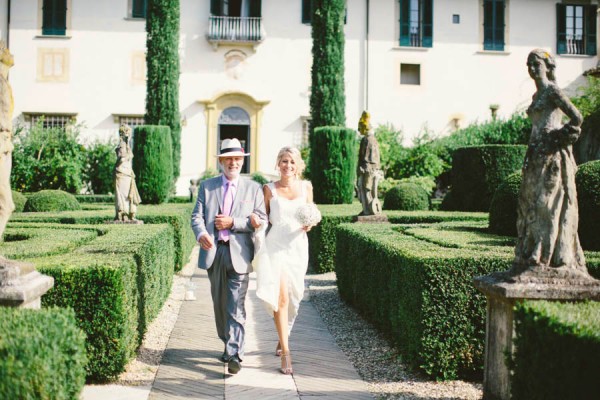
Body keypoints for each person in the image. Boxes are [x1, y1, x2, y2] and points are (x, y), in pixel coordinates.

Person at [191, 138, 267, 374]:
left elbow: (260, 219)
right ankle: (227, 342)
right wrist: (201, 233)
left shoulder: (254, 188)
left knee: (235, 304)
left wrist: (234, 222)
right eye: (229, 159)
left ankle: (235, 353)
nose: (233, 163)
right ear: (222, 161)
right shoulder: (207, 186)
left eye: (238, 159)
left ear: (242, 162)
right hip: (214, 252)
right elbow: (196, 217)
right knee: (219, 304)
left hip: (240, 254)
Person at [512, 49, 587, 276]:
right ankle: (530, 251)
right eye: (529, 65)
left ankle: (543, 253)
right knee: (528, 203)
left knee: (546, 204)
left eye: (536, 64)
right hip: (534, 156)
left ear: (547, 66)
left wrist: (558, 136)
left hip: (551, 156)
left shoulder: (553, 91)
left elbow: (577, 117)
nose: (532, 69)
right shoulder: (536, 97)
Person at [251, 146, 316, 375]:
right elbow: (262, 218)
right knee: (280, 297)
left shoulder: (306, 187)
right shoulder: (268, 189)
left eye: (291, 161)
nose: (287, 165)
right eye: (283, 161)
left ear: (298, 165)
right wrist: (254, 225)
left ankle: (282, 337)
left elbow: (312, 212)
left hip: (298, 248)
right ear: (278, 164)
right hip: (275, 246)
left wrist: (311, 222)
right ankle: (287, 354)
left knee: (294, 297)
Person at [0, 40, 15, 239]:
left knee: (7, 204)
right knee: (6, 203)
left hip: (5, 143)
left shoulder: (4, 82)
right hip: (1, 143)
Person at [356, 111, 383, 216]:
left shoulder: (369, 140)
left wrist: (364, 167)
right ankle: (366, 209)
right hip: (369, 169)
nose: (359, 130)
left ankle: (369, 210)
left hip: (368, 169)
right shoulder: (369, 139)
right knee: (364, 188)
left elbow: (368, 157)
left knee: (366, 188)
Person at [114, 124, 141, 221]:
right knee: (124, 195)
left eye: (129, 132)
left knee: (128, 194)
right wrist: (127, 156)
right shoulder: (122, 144)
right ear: (122, 133)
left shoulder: (126, 144)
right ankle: (124, 214)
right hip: (122, 173)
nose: (129, 134)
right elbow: (121, 159)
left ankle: (129, 214)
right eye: (127, 132)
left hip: (126, 173)